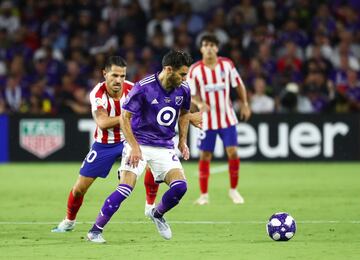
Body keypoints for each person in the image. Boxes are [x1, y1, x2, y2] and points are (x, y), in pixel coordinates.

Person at [86, 50, 193, 243]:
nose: (185, 78)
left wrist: (183, 141)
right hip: (139, 142)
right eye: (182, 74)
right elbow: (125, 118)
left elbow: (185, 113)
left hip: (164, 146)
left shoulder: (184, 89)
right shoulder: (143, 88)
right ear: (169, 70)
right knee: (125, 188)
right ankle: (95, 230)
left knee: (180, 187)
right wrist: (134, 147)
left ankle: (157, 214)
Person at [144, 34, 251, 208]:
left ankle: (233, 190)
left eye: (212, 45)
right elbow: (190, 93)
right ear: (201, 48)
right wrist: (200, 103)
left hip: (227, 118)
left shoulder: (227, 65)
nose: (209, 48)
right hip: (206, 120)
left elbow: (238, 84)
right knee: (205, 155)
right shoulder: (194, 70)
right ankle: (204, 195)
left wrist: (245, 104)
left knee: (232, 152)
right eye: (205, 45)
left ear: (217, 48)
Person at [51, 56, 133, 232]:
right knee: (79, 189)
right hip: (105, 144)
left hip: (130, 140)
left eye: (123, 76)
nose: (119, 80)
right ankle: (69, 221)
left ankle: (151, 206)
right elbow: (102, 122)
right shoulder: (97, 93)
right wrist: (129, 117)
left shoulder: (134, 90)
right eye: (114, 75)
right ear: (104, 74)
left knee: (152, 166)